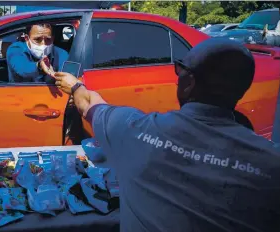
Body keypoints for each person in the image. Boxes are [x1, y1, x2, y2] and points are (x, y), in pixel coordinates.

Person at [53, 38, 280, 232]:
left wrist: (75, 87)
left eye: (180, 68)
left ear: (189, 82)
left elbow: (89, 105)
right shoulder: (270, 162)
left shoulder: (134, 130)